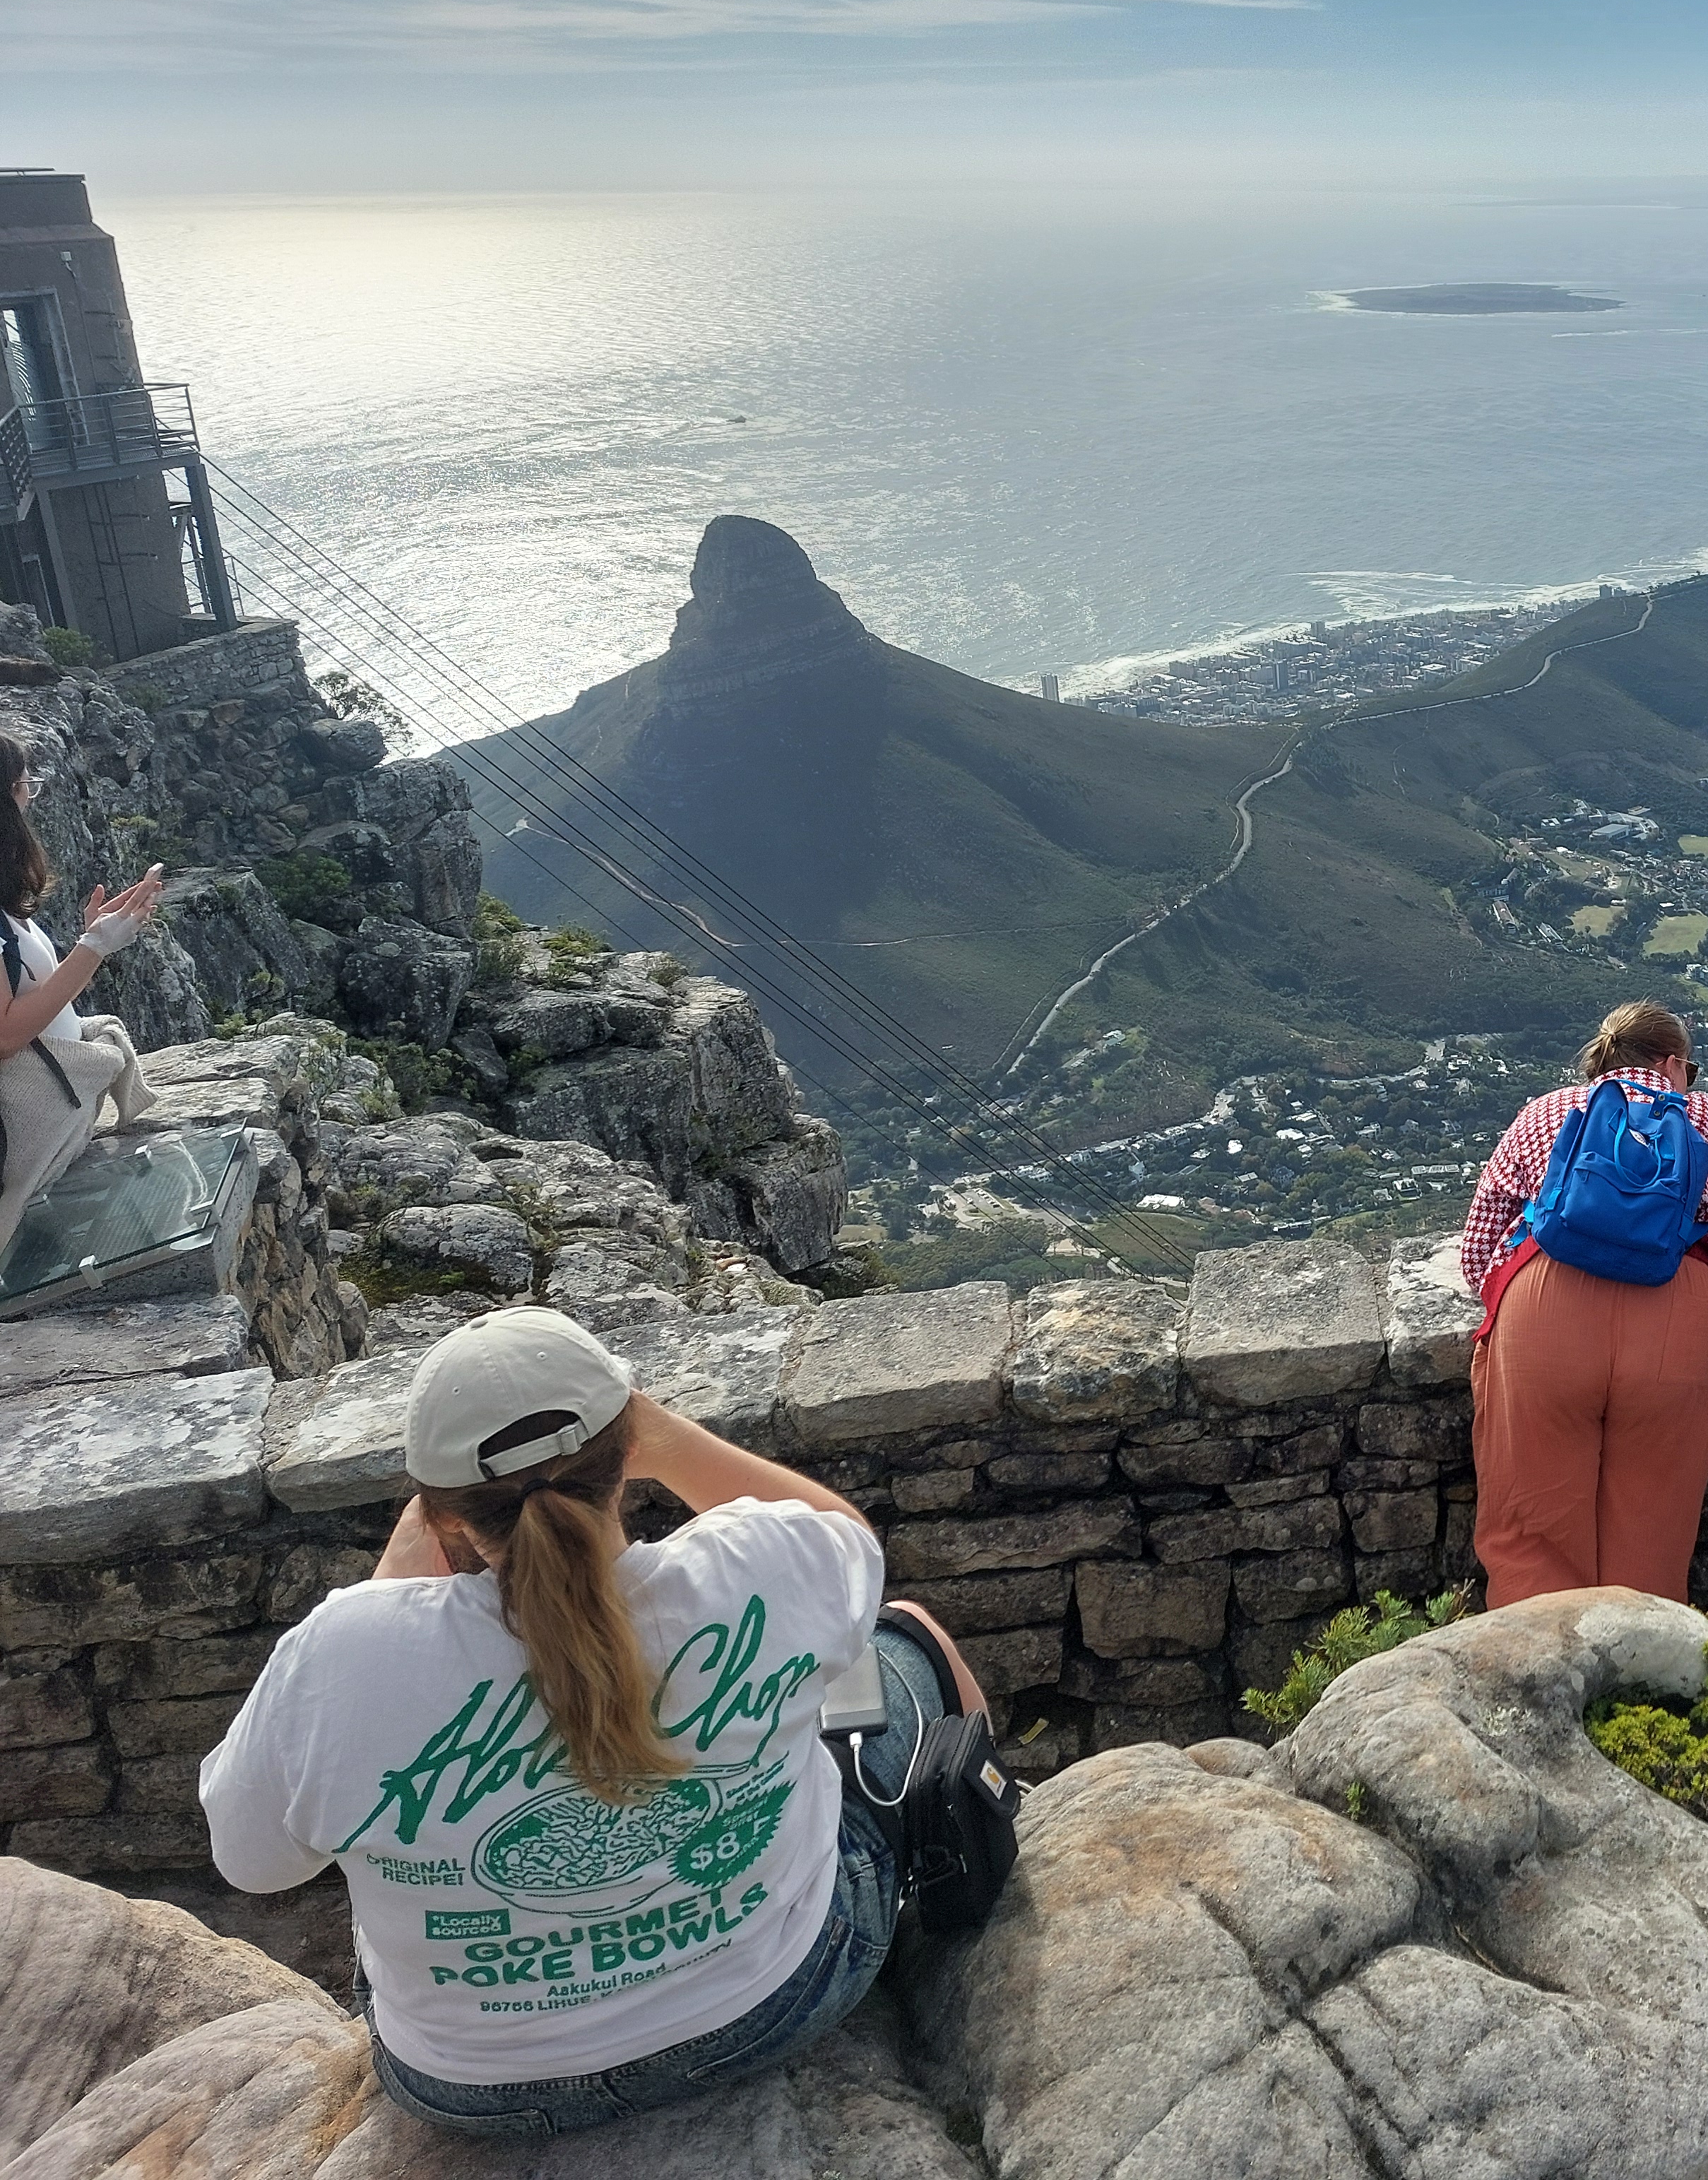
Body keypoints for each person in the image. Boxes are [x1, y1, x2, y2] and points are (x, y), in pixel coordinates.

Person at [201, 1308, 990, 2138]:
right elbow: (850, 1544)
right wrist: (665, 1437)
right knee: (904, 1637)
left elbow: (251, 1865)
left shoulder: (339, 1660)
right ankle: (983, 1846)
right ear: (628, 1453)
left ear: (442, 1512)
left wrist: (395, 1577)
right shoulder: (759, 1567)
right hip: (773, 2002)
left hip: (470, 2090)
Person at [1457, 1001, 1708, 1607]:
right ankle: (1639, 1692)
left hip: (1546, 1316)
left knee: (1533, 1541)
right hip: (1678, 1320)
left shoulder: (1543, 1114)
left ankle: (1537, 1689)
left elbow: (1478, 1254)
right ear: (1673, 1062)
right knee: (1652, 1542)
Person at [1, 728, 163, 1253]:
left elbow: (28, 991)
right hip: (28, 1136)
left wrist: (90, 940)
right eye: (26, 785)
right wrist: (94, 947)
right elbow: (4, 1036)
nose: (31, 797)